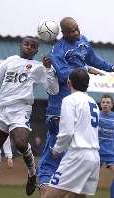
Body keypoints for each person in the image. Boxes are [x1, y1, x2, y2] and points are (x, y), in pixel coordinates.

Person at [37, 17, 114, 198]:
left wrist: (110, 67)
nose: (76, 33)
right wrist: (86, 69)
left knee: (52, 159)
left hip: (76, 152)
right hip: (91, 156)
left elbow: (93, 58)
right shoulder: (57, 52)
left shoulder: (84, 42)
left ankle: (44, 180)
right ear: (62, 33)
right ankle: (43, 177)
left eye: (77, 29)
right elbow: (62, 75)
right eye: (71, 31)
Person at [0, 36, 59, 198]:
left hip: (20, 110)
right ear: (21, 45)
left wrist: (49, 69)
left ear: (36, 50)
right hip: (1, 110)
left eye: (33, 46)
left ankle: (32, 173)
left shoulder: (39, 67)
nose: (29, 47)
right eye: (27, 44)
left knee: (20, 142)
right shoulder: (10, 61)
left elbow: (53, 90)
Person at [43, 68, 100, 198]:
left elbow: (67, 132)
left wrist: (57, 150)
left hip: (77, 155)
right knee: (77, 196)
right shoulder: (93, 103)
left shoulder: (70, 100)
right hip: (94, 158)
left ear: (69, 82)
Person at [99, 94, 114, 198]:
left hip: (111, 151)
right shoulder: (95, 115)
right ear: (100, 104)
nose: (105, 104)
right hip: (96, 151)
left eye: (108, 102)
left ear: (112, 105)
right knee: (88, 178)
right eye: (103, 102)